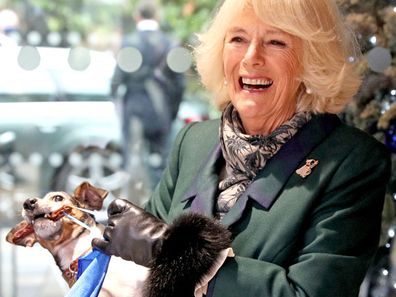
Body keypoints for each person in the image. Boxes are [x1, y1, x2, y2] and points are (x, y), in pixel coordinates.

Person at [93, 0, 392, 296]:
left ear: (310, 59)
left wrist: (172, 250)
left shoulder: (352, 161)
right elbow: (137, 268)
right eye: (238, 39)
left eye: (276, 42)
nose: (251, 57)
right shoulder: (193, 141)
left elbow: (310, 293)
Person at [111, 0, 185, 186]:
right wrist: (172, 112)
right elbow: (179, 84)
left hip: (134, 110)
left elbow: (117, 80)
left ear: (137, 16)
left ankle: (132, 205)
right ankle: (158, 209)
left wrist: (118, 105)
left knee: (131, 164)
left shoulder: (128, 42)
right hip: (160, 111)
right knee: (160, 166)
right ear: (157, 16)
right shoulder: (170, 43)